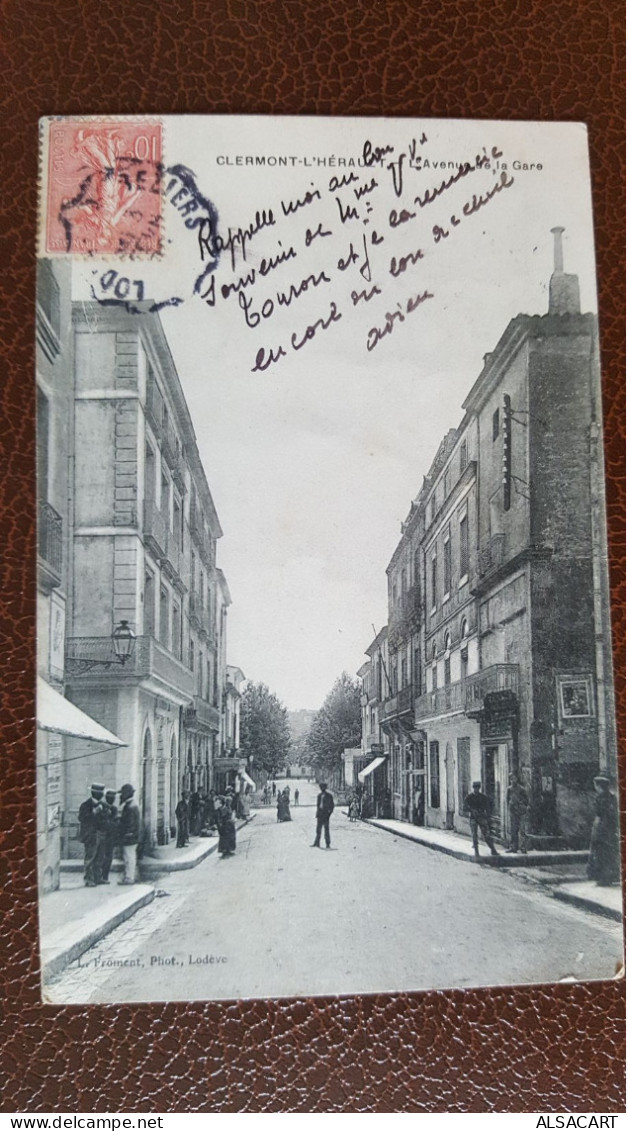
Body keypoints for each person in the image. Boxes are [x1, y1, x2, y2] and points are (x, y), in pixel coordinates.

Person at [587, 775, 620, 886]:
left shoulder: (600, 798)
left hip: (601, 828)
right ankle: (609, 877)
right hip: (610, 829)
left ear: (599, 786)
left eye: (596, 785)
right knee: (609, 854)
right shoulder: (612, 797)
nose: (595, 787)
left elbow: (598, 813)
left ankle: (602, 879)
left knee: (600, 854)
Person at [78, 783, 109, 886]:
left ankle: (98, 878)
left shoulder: (104, 805)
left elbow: (105, 819)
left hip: (101, 834)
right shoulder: (85, 805)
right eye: (100, 794)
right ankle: (88, 879)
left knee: (100, 857)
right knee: (90, 858)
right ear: (94, 793)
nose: (102, 796)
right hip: (91, 835)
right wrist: (94, 812)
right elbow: (82, 818)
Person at [464, 781, 499, 858]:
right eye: (475, 787)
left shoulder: (483, 797)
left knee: (486, 834)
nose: (476, 789)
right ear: (473, 788)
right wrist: (471, 810)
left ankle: (493, 849)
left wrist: (487, 813)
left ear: (479, 788)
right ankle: (476, 852)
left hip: (481, 817)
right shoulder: (469, 797)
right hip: (473, 818)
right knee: (474, 835)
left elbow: (490, 804)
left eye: (478, 787)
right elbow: (465, 807)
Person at [118, 783, 141, 884]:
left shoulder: (129, 807)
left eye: (122, 794)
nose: (121, 796)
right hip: (132, 836)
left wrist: (125, 834)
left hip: (129, 837)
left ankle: (129, 878)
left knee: (129, 858)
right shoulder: (133, 805)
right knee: (130, 857)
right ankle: (129, 876)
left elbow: (129, 824)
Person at [506, 772, 529, 853]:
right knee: (513, 830)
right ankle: (513, 847)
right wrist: (511, 807)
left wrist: (521, 805)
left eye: (514, 778)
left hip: (521, 812)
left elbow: (526, 801)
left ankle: (523, 848)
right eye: (511, 779)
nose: (512, 780)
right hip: (513, 812)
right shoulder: (509, 789)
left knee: (522, 830)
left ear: (517, 779)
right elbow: (507, 800)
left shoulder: (522, 789)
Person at [101, 788, 119, 882]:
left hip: (108, 836)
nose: (112, 799)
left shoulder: (113, 809)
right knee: (106, 857)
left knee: (106, 857)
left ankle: (104, 877)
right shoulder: (107, 808)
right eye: (111, 797)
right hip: (106, 836)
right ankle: (103, 877)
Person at [312, 782, 335, 848]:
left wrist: (329, 813)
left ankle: (327, 844)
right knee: (318, 830)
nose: (322, 789)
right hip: (320, 815)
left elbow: (332, 806)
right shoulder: (319, 796)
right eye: (321, 788)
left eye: (323, 787)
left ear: (325, 788)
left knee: (326, 830)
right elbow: (318, 806)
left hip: (325, 815)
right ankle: (317, 843)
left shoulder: (329, 796)